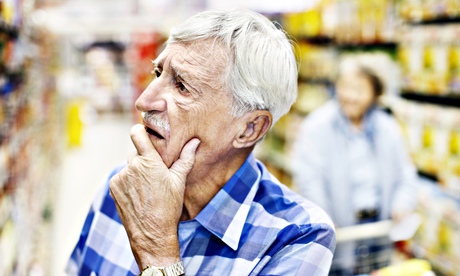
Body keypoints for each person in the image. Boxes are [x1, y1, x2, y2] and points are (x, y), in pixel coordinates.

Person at [66, 9, 335, 276]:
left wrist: (157, 253)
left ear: (249, 129)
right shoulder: (123, 187)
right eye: (158, 73)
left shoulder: (296, 237)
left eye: (182, 86)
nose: (145, 101)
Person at [291, 53, 418, 275]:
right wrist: (325, 217)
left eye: (359, 89)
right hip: (340, 235)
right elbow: (310, 179)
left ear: (374, 92)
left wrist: (402, 204)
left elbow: (405, 173)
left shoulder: (388, 128)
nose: (350, 96)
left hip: (379, 231)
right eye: (345, 87)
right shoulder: (317, 126)